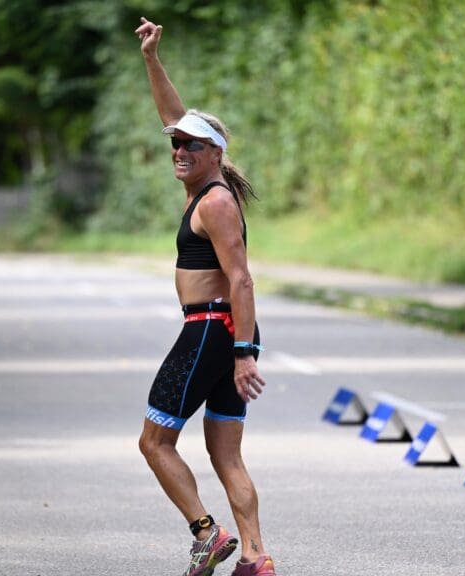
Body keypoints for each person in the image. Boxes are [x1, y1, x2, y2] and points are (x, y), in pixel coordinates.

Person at [135, 17, 277, 576]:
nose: (179, 148)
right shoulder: (209, 184)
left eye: (191, 144)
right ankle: (255, 557)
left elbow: (241, 278)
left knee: (153, 442)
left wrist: (242, 352)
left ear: (214, 152)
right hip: (225, 332)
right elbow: (173, 115)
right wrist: (151, 58)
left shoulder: (214, 203)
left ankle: (206, 533)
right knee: (225, 453)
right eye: (175, 143)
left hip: (214, 330)